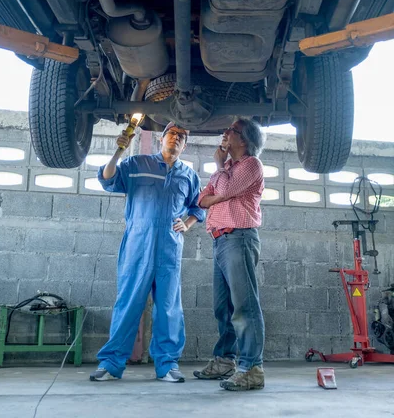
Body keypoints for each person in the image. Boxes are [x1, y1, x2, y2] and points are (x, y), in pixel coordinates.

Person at [90, 122, 205, 383]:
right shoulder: (138, 164)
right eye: (172, 134)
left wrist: (186, 224)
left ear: (184, 145)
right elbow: (108, 179)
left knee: (168, 307)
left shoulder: (188, 175)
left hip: (169, 250)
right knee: (129, 303)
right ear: (161, 139)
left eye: (182, 136)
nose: (176, 138)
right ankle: (111, 363)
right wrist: (119, 151)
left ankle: (167, 365)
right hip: (137, 247)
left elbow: (198, 207)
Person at [194, 118, 266, 391]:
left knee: (244, 305)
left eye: (231, 131)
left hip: (239, 238)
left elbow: (221, 191)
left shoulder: (250, 165)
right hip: (220, 240)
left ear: (244, 140)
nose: (225, 133)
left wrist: (218, 170)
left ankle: (252, 368)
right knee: (222, 307)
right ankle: (225, 360)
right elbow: (201, 200)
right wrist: (221, 184)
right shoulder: (227, 168)